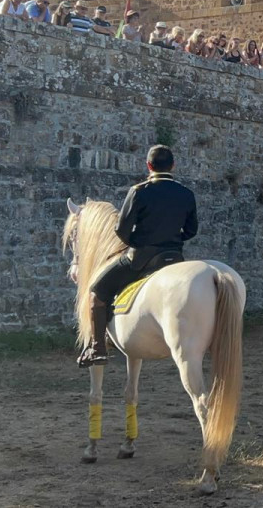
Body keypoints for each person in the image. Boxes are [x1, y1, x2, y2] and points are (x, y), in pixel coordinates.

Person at [77, 145, 198, 367]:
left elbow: (121, 230)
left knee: (96, 294)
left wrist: (138, 243)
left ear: (148, 166)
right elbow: (192, 231)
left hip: (142, 258)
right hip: (174, 256)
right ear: (173, 166)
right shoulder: (186, 193)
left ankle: (98, 349)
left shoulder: (139, 191)